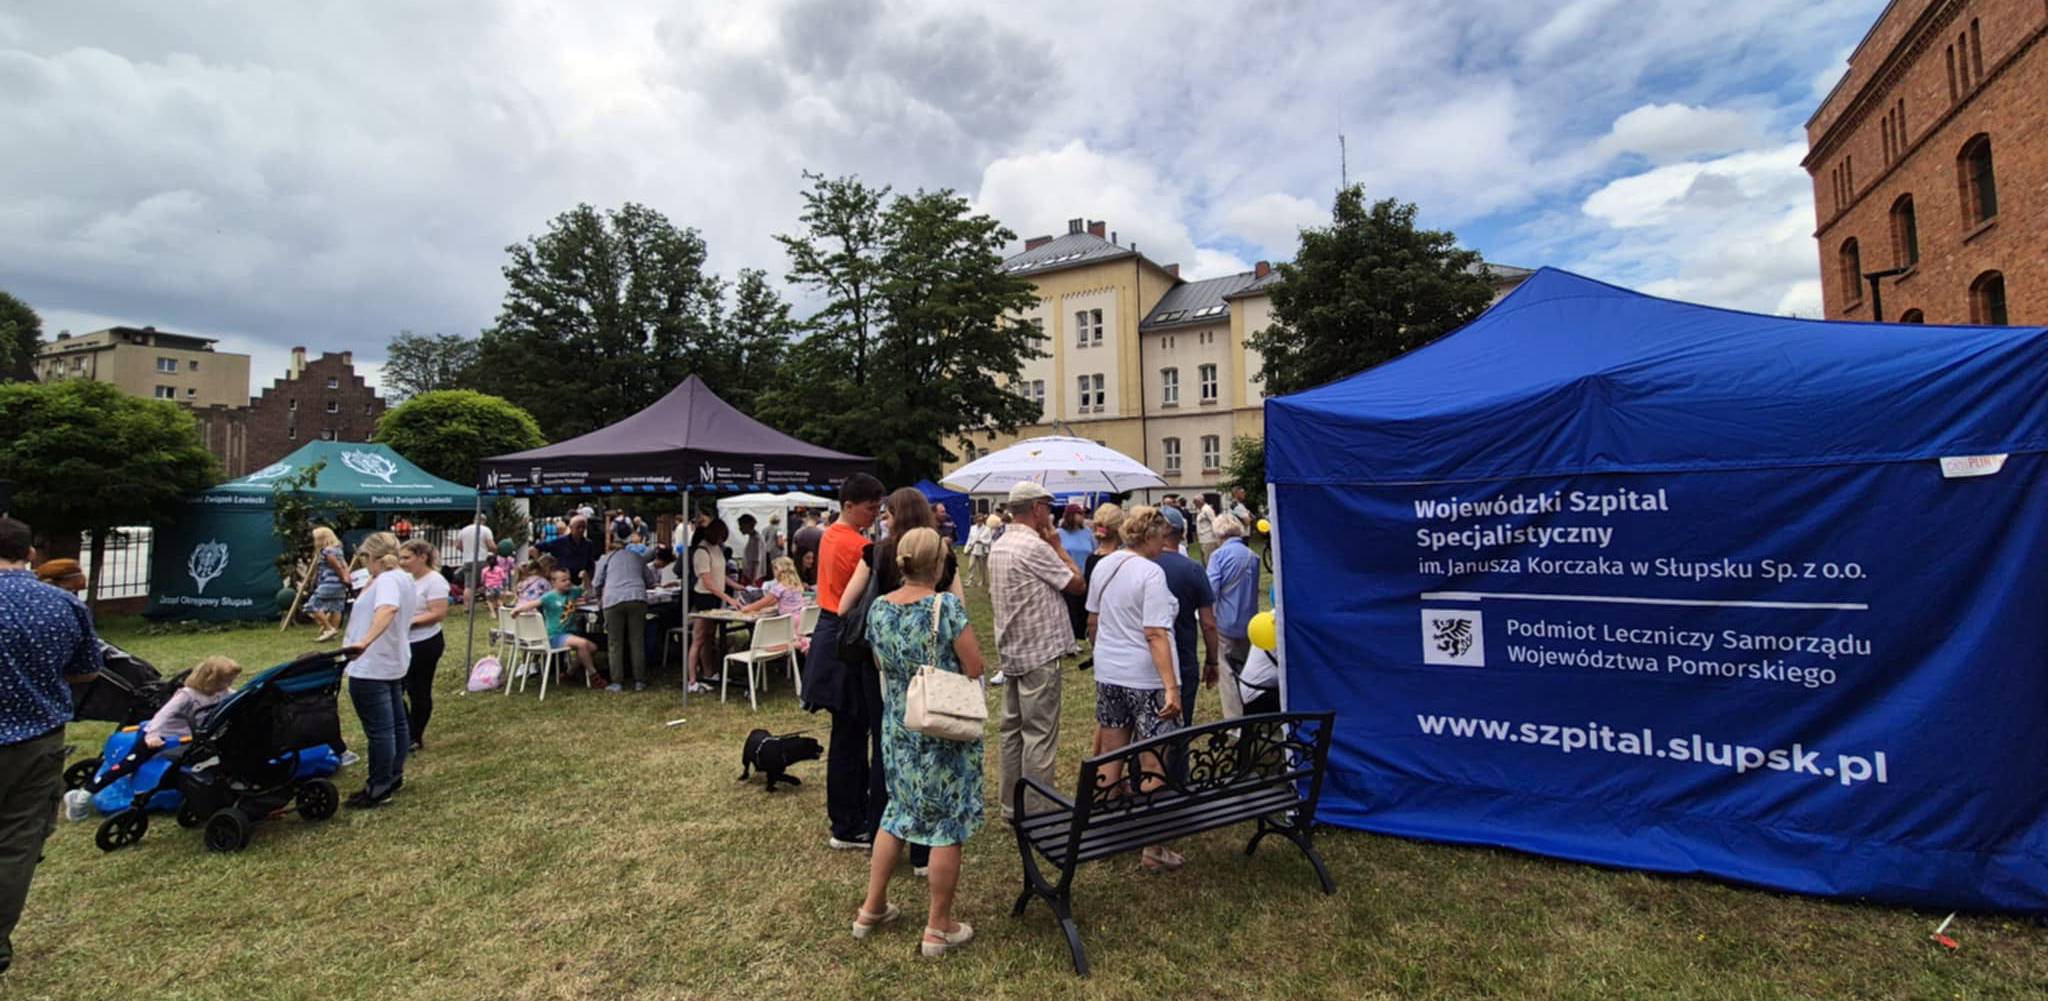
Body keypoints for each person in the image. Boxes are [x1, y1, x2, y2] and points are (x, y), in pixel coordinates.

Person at [851, 528, 985, 957]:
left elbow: (879, 662)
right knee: (947, 824)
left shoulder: (877, 609)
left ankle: (871, 908)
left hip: (898, 725)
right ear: (939, 564)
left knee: (898, 812)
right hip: (941, 727)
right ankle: (938, 926)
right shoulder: (946, 609)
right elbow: (975, 665)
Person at [837, 488, 965, 875]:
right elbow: (959, 607)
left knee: (888, 752)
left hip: (884, 669)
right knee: (932, 754)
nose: (884, 518)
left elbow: (844, 607)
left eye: (888, 513)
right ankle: (924, 851)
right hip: (932, 670)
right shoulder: (941, 555)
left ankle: (883, 837)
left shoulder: (876, 553)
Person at [1, 515, 101, 975]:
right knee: (17, 843)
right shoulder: (60, 604)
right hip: (36, 740)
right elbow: (85, 671)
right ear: (31, 554)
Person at [1085, 506, 1184, 871]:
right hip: (1146, 677)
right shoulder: (1151, 574)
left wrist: (1104, 656)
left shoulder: (1105, 565)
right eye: (1162, 536)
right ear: (1149, 536)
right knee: (1153, 760)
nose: (1164, 543)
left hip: (1110, 671)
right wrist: (1171, 687)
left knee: (1110, 753)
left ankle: (1107, 834)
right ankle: (1152, 847)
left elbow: (1093, 620)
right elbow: (1155, 632)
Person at [987, 482, 1087, 820]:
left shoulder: (1000, 544)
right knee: (1040, 734)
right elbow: (1076, 583)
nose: (1051, 512)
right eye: (1048, 505)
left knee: (1012, 731)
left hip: (1012, 646)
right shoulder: (1035, 546)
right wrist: (1058, 546)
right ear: (1037, 509)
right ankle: (1039, 810)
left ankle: (1010, 805)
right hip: (1040, 648)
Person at [804, 472, 886, 851]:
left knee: (848, 735)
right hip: (844, 637)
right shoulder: (855, 544)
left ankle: (850, 817)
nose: (874, 514)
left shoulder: (830, 536)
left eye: (878, 509)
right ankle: (849, 824)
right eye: (870, 508)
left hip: (831, 633)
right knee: (851, 737)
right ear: (849, 504)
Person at [338, 531, 418, 809]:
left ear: (370, 557)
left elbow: (387, 610)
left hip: (372, 665)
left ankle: (379, 785)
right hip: (392, 660)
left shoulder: (386, 581)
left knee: (381, 730)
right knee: (396, 723)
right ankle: (392, 775)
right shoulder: (402, 578)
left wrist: (364, 641)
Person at [1152, 507, 1219, 727]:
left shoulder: (1142, 565)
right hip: (1183, 656)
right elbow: (1208, 623)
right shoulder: (1193, 569)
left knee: (1145, 731)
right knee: (1180, 725)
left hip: (1147, 656)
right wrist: (1212, 660)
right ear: (1182, 533)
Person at [1205, 515, 1260, 719]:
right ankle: (1252, 711)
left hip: (1225, 621)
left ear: (1219, 533)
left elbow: (1210, 590)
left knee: (1227, 672)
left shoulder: (1218, 556)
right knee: (1246, 668)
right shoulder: (1252, 556)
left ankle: (1234, 720)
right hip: (1250, 622)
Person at [398, 541, 450, 751]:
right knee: (396, 688)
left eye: (407, 558)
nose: (403, 563)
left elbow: (438, 613)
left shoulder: (435, 581)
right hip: (404, 641)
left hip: (425, 642)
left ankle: (414, 736)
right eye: (401, 558)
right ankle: (402, 730)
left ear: (422, 557)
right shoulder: (405, 579)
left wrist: (410, 621)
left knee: (418, 690)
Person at [594, 532, 658, 692]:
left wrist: (598, 596)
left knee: (615, 642)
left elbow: (597, 582)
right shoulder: (636, 557)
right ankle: (639, 681)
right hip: (637, 598)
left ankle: (617, 681)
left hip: (613, 599)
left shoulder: (605, 559)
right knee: (637, 640)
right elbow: (650, 581)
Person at [513, 569, 602, 684]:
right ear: (554, 583)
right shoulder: (549, 597)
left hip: (570, 633)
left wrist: (585, 577)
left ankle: (569, 673)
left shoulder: (573, 592)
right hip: (555, 635)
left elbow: (587, 588)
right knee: (583, 644)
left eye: (569, 579)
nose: (568, 582)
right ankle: (594, 675)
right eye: (563, 580)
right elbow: (533, 603)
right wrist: (517, 610)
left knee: (593, 648)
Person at [687, 519, 744, 694]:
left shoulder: (716, 549)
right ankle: (692, 680)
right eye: (720, 537)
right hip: (704, 597)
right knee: (698, 638)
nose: (722, 540)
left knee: (710, 637)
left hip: (715, 597)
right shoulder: (701, 552)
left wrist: (736, 586)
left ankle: (709, 672)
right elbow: (708, 581)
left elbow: (720, 574)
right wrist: (729, 598)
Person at [143, 656, 240, 753]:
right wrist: (152, 735)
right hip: (171, 735)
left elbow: (238, 696)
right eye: (226, 681)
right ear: (211, 680)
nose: (229, 684)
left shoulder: (222, 692)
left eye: (231, 681)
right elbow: (164, 714)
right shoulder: (188, 695)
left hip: (195, 735)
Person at [1057, 504, 1094, 642]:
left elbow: (1093, 550)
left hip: (1086, 575)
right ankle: (1071, 636)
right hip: (1068, 576)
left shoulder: (1088, 533)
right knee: (1070, 607)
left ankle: (1084, 633)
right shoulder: (1060, 533)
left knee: (1085, 606)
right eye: (1079, 514)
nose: (1083, 517)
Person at [306, 526, 350, 642]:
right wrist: (346, 579)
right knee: (336, 608)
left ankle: (329, 629)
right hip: (339, 585)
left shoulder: (327, 551)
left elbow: (337, 566)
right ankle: (332, 633)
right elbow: (344, 565)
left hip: (328, 583)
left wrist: (342, 576)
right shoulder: (338, 550)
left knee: (312, 605)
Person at [539, 515, 599, 587]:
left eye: (583, 527)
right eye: (578, 527)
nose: (581, 530)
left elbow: (590, 563)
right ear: (571, 527)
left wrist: (589, 579)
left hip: (579, 582)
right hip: (562, 582)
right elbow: (537, 548)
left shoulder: (588, 544)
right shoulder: (560, 542)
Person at [454, 514, 495, 607]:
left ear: (474, 519)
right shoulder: (485, 530)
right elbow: (491, 545)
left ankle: (466, 606)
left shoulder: (464, 530)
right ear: (484, 521)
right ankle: (490, 604)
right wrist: (496, 549)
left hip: (468, 561)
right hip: (482, 560)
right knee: (488, 583)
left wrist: (466, 550)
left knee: (468, 586)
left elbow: (458, 546)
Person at [962, 514, 998, 588]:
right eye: (978, 520)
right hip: (973, 550)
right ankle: (970, 581)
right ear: (975, 520)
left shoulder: (987, 529)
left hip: (983, 550)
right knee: (971, 565)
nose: (979, 522)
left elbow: (989, 540)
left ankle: (983, 581)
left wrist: (982, 541)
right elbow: (969, 539)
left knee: (982, 567)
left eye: (981, 520)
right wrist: (966, 549)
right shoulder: (972, 528)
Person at [792, 514, 825, 586]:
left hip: (800, 562)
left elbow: (794, 549)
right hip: (816, 564)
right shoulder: (821, 533)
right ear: (816, 522)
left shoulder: (798, 532)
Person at [738, 514, 768, 584]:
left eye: (741, 525)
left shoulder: (756, 540)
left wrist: (752, 582)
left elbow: (756, 562)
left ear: (747, 525)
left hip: (753, 578)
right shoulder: (753, 538)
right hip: (751, 576)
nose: (740, 528)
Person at [1195, 494, 1219, 563]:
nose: (1195, 504)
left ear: (1201, 501)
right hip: (1203, 539)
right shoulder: (1200, 510)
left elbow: (1214, 522)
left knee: (1209, 561)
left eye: (1195, 502)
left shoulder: (1207, 509)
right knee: (1204, 561)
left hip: (1209, 539)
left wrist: (1215, 536)